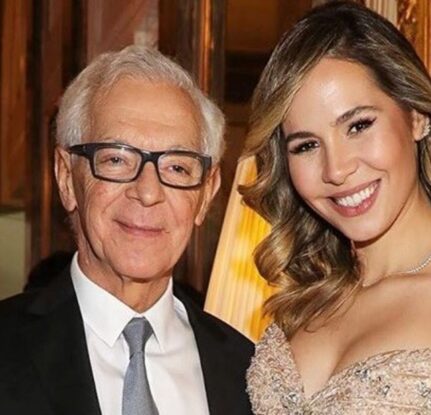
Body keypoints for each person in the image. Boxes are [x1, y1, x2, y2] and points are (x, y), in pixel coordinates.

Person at [242, 2, 431, 413]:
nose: (337, 169)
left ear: (416, 116)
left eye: (358, 125)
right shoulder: (301, 306)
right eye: (307, 145)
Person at [0, 46, 253, 415]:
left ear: (206, 194)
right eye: (116, 159)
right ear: (67, 178)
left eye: (177, 167)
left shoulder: (247, 374)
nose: (148, 192)